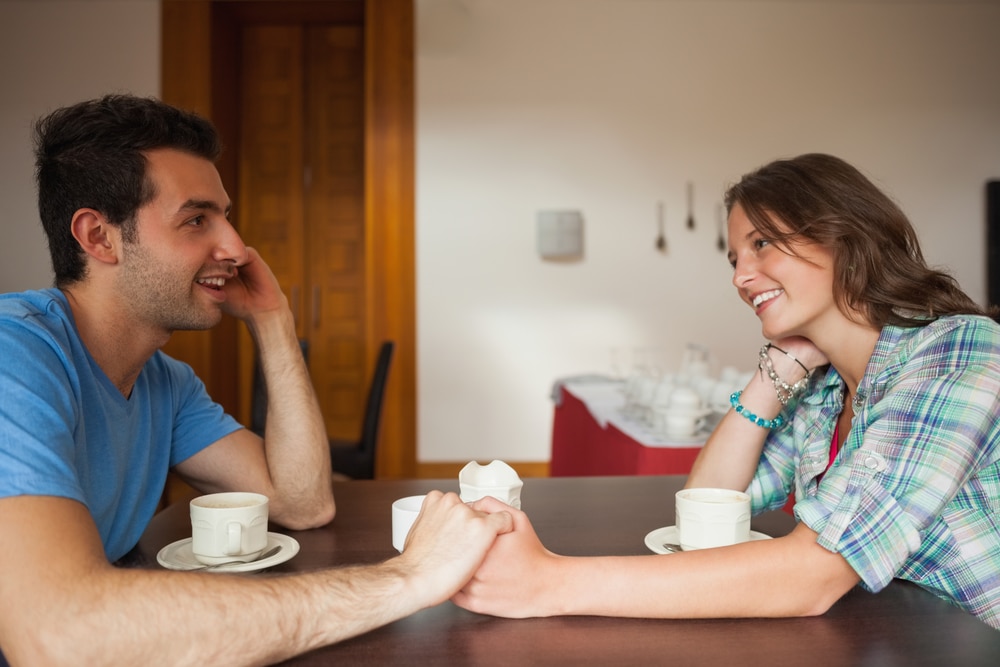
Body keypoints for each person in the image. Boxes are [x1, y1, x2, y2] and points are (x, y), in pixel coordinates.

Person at [0, 94, 512, 665]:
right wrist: (409, 578)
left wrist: (272, 321)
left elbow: (302, 502)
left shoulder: (163, 383)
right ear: (99, 238)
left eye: (225, 215)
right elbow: (57, 635)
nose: (237, 247)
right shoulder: (12, 358)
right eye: (196, 219)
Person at [454, 153, 1000, 629]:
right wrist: (776, 373)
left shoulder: (958, 351)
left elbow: (813, 574)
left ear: (843, 235)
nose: (741, 276)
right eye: (735, 258)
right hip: (896, 632)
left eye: (761, 244)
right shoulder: (825, 389)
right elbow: (709, 506)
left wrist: (549, 582)